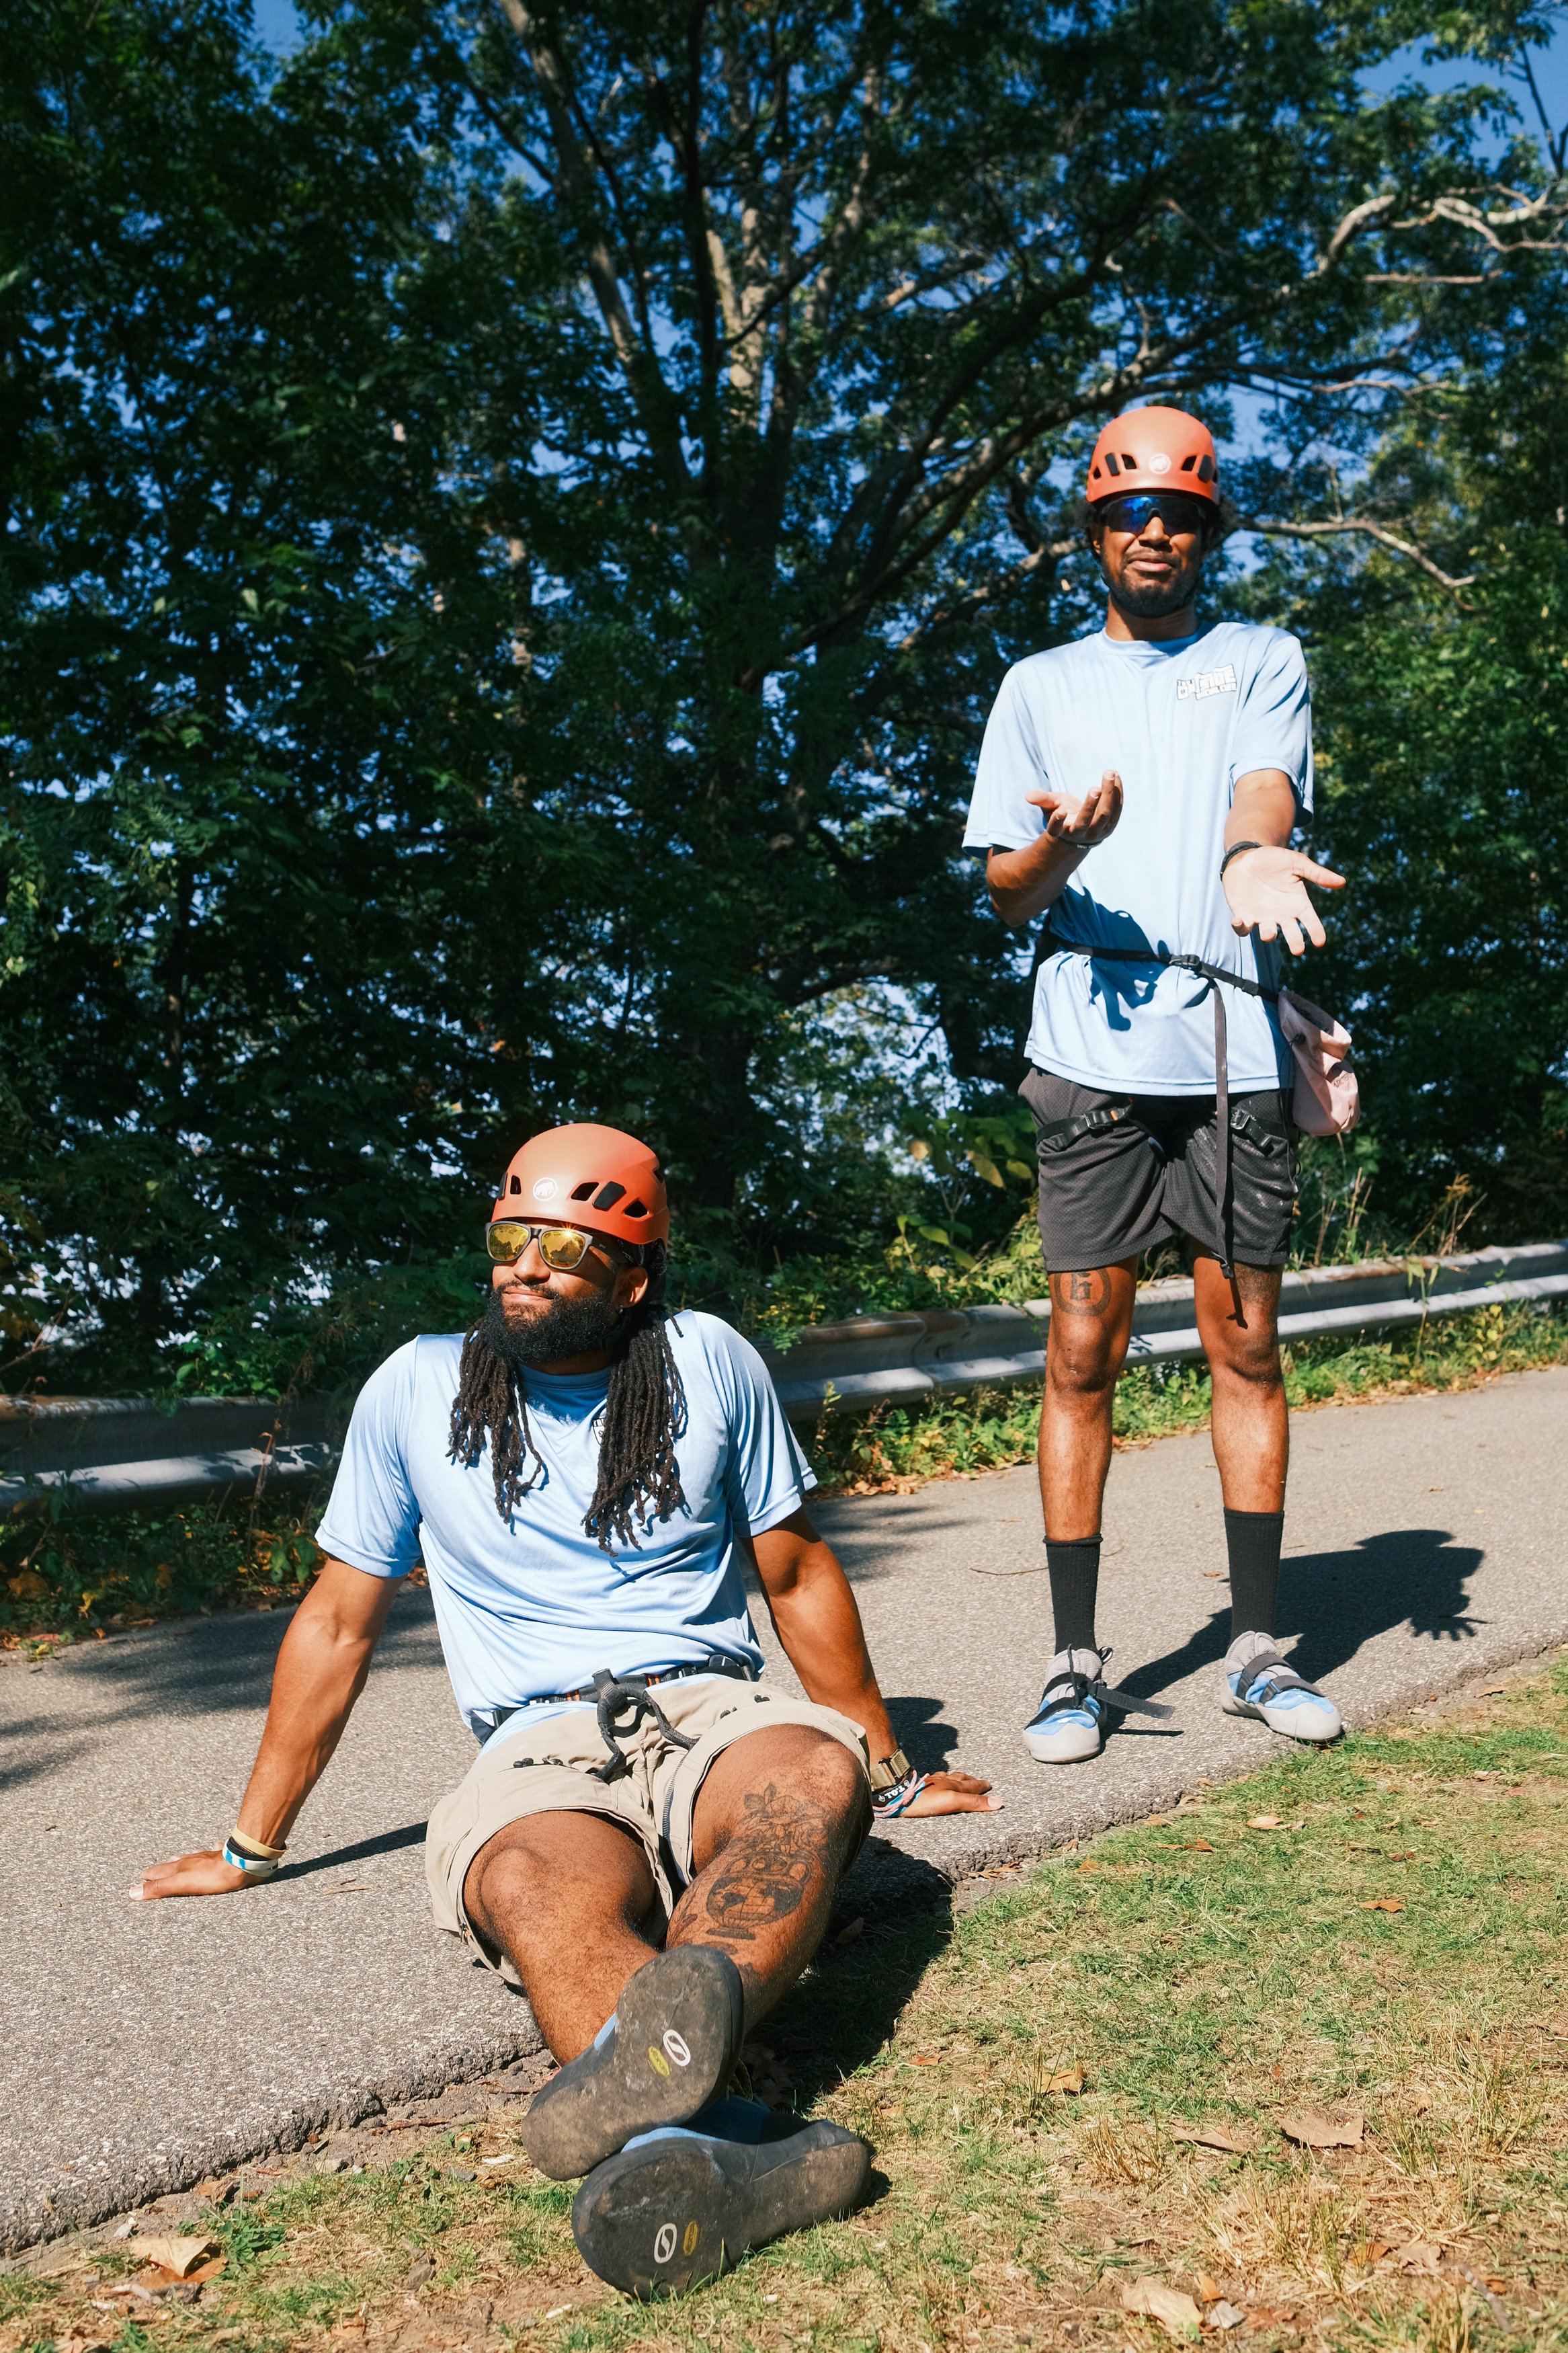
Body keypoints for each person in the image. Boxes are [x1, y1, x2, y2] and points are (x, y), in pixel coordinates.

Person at [132, 1123, 995, 2297]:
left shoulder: (706, 1360)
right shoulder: (417, 1386)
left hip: (706, 1705)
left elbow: (795, 1574)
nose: (525, 1269)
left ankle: (667, 2093)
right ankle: (692, 2157)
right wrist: (250, 1845)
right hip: (534, 1742)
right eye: (510, 1241)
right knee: (531, 1883)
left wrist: (888, 1774)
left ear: (632, 1279)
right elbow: (337, 1623)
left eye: (566, 1249)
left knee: (805, 1781)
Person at [962, 405, 1346, 1766]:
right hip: (1090, 1059)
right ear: (1093, 531)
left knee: (1247, 1346)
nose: (1153, 531)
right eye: (1129, 511)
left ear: (1207, 533)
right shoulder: (1037, 687)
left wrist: (1249, 859)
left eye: (1178, 513)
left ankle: (1258, 1650)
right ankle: (1074, 1665)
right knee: (1082, 1351)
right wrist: (1063, 849)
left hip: (1230, 1054)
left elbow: (1262, 789)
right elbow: (1005, 893)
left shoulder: (1259, 657)